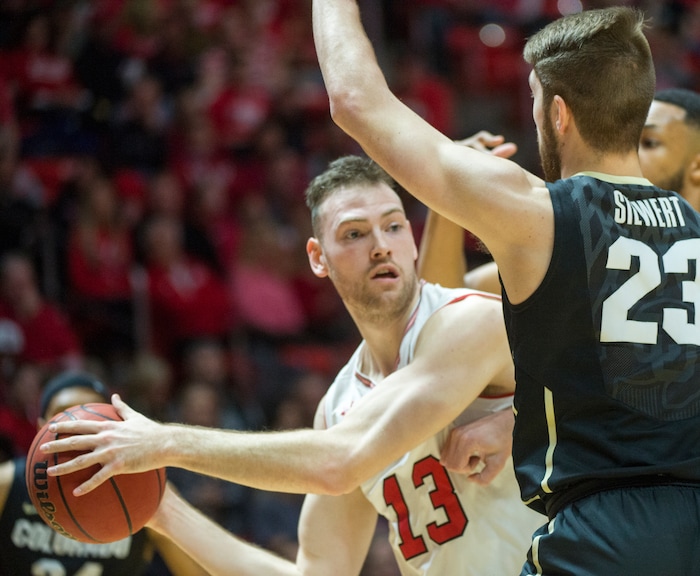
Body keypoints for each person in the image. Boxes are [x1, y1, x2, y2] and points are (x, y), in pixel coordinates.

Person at [303, 4, 700, 574]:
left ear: (557, 114)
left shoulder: (539, 214)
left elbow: (355, 102)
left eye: (534, 100)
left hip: (601, 531)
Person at [43, 155, 543, 575]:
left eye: (393, 226)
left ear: (413, 244)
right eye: (353, 233)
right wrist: (163, 511)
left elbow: (339, 461)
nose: (380, 244)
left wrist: (166, 442)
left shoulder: (468, 322)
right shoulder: (340, 406)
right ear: (317, 257)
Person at [419, 88, 700, 294]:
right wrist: (450, 185)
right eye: (622, 140)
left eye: (648, 142)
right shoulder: (586, 244)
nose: (624, 154)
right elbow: (444, 304)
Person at [0, 370, 206, 576]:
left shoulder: (148, 489)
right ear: (40, 428)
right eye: (65, 416)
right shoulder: (7, 483)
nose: (78, 427)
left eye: (90, 418)